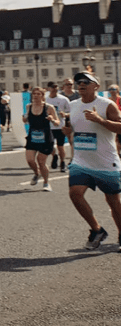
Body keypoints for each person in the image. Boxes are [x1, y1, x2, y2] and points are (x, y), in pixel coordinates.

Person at [62, 72, 121, 251]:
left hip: (105, 161)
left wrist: (100, 120)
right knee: (75, 193)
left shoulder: (106, 105)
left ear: (96, 86)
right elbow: (73, 128)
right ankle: (96, 230)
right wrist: (67, 131)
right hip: (81, 160)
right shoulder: (72, 105)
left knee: (112, 201)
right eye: (79, 81)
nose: (81, 84)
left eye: (86, 82)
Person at [22, 87, 58, 192]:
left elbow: (58, 122)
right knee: (30, 160)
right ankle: (37, 174)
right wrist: (24, 118)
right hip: (32, 137)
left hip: (46, 138)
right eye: (34, 94)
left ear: (42, 96)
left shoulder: (49, 107)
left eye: (38, 94)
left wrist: (52, 120)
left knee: (41, 162)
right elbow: (25, 120)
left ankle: (46, 183)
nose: (36, 96)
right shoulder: (28, 106)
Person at [46, 81, 72, 171]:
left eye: (56, 87)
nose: (55, 89)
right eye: (53, 87)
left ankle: (62, 163)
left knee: (60, 146)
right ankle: (55, 156)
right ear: (48, 89)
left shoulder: (63, 99)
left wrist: (65, 114)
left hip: (60, 126)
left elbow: (70, 111)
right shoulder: (45, 100)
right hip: (49, 126)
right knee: (50, 145)